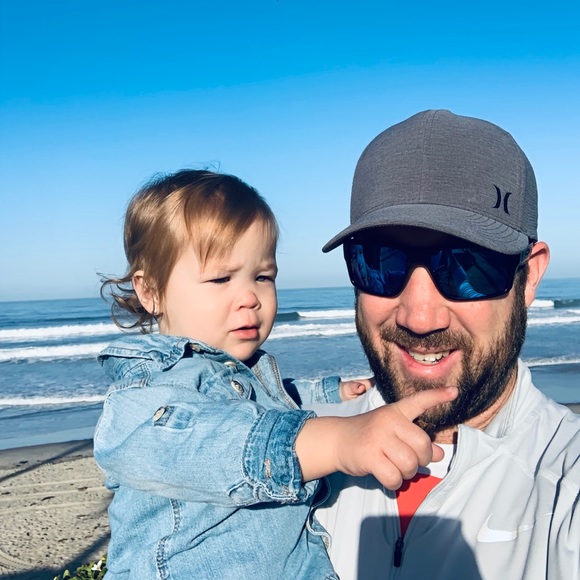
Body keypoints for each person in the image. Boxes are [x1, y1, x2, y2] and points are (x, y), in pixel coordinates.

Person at [93, 169, 457, 579]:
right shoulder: (147, 389)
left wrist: (333, 392)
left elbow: (274, 399)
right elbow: (208, 440)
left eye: (263, 276)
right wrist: (338, 441)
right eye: (221, 278)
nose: (250, 297)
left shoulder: (244, 371)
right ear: (150, 291)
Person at [311, 109, 580, 579]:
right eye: (382, 262)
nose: (419, 317)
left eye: (467, 266)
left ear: (530, 276)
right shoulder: (291, 447)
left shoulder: (566, 480)